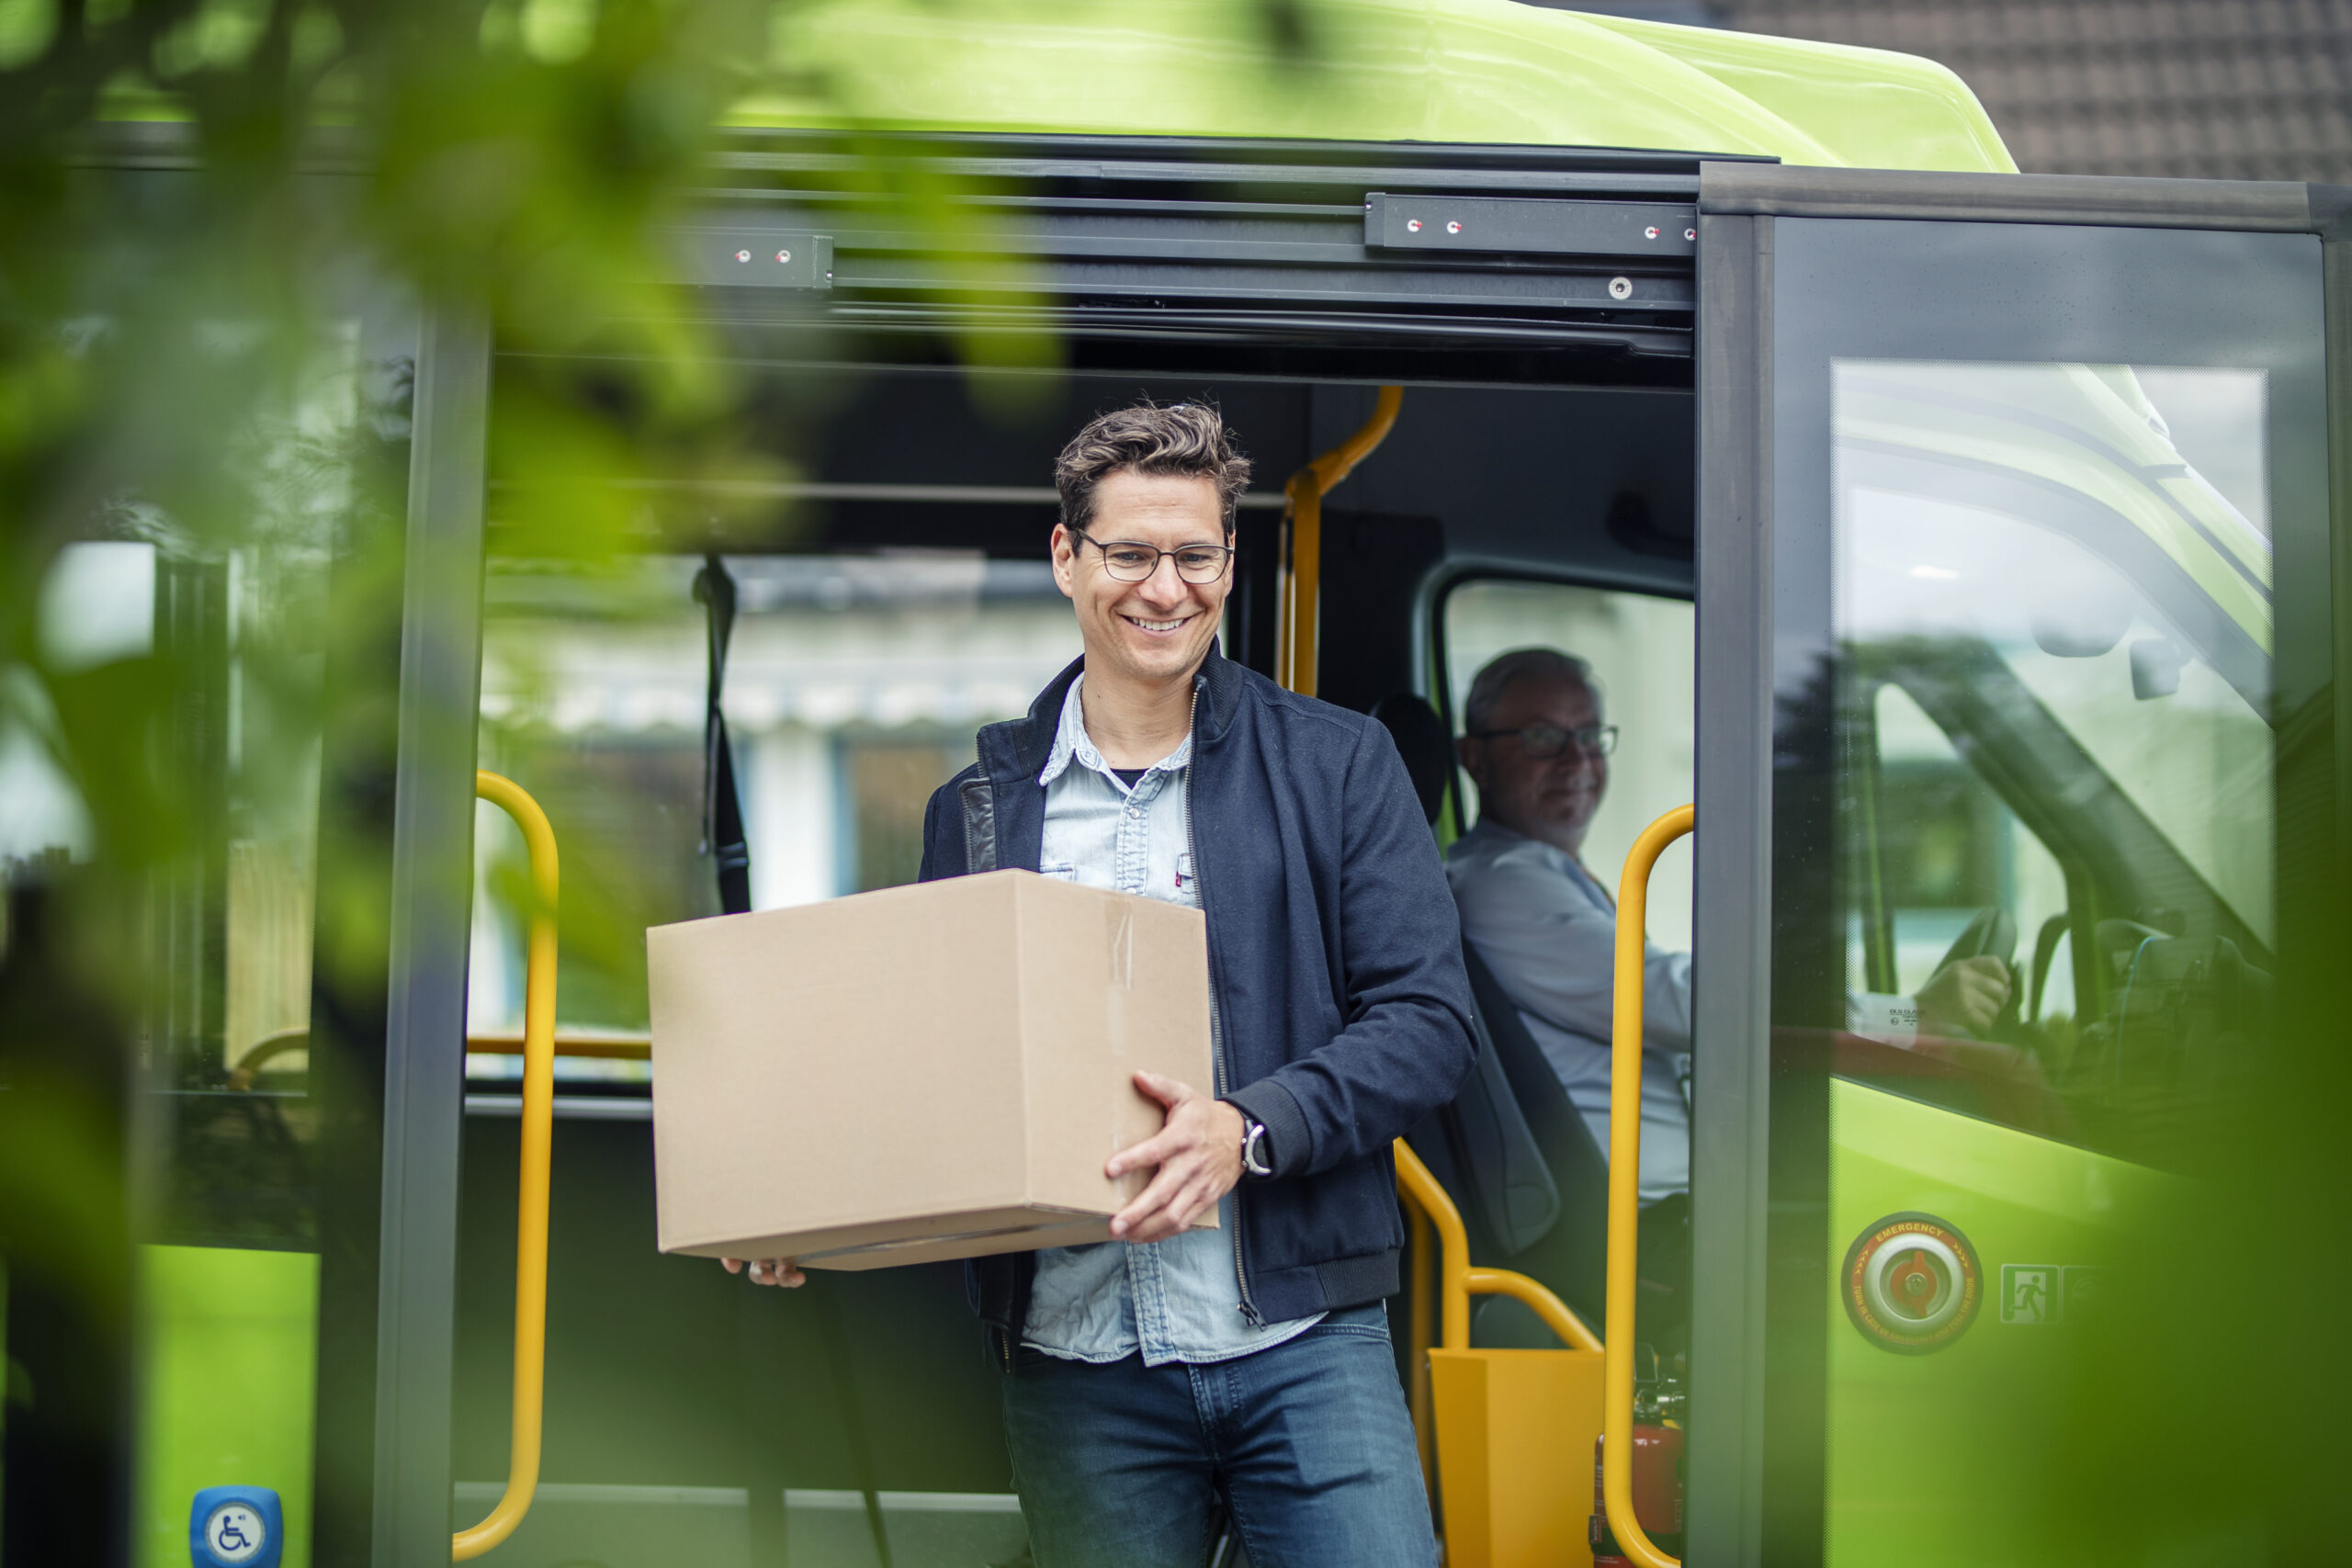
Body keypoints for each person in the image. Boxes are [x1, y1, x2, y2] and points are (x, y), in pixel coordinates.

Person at [728, 401, 1477, 1568]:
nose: (1163, 589)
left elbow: (1430, 1028)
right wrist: (807, 1209)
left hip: (1302, 1338)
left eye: (1193, 556)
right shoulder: (975, 809)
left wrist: (1248, 1128)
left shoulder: (1337, 766)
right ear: (1067, 557)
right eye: (1129, 553)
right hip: (1081, 1362)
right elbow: (941, 1068)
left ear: (1230, 564)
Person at [1446, 648, 2013, 1206]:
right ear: (1474, 758)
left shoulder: (1539, 873)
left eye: (1591, 736)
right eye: (1544, 738)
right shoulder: (1501, 882)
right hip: (1642, 1228)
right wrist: (1910, 1016)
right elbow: (1687, 1002)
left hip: (1674, 1199)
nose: (1577, 761)